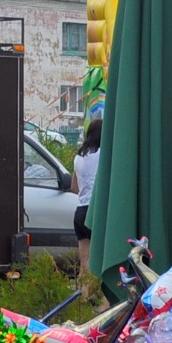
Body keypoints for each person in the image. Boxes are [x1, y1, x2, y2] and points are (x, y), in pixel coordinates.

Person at [70, 118, 101, 303]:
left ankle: (81, 303)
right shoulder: (105, 154)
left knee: (84, 265)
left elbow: (74, 187)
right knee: (102, 263)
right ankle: (103, 307)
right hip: (97, 211)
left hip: (80, 211)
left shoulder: (78, 157)